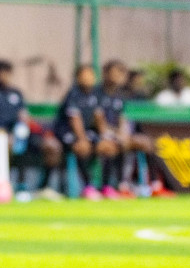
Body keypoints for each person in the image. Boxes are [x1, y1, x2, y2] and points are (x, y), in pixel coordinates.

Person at [0, 60, 62, 184]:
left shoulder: (16, 93)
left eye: (7, 73)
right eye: (1, 72)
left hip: (19, 136)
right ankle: (5, 183)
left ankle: (43, 187)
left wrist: (43, 132)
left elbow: (24, 117)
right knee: (7, 143)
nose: (3, 76)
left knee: (51, 146)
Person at [53, 62, 117, 199]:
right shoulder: (73, 94)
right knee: (82, 148)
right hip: (67, 133)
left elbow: (99, 117)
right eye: (85, 75)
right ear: (78, 77)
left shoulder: (96, 95)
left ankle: (106, 187)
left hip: (88, 133)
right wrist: (82, 139)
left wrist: (105, 137)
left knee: (109, 148)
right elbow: (75, 120)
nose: (88, 78)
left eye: (91, 75)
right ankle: (88, 187)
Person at [99, 59, 155, 197]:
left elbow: (123, 118)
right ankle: (107, 186)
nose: (118, 77)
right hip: (100, 134)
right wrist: (112, 133)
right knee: (112, 146)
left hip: (118, 134)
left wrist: (122, 134)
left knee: (147, 144)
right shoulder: (97, 93)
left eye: (120, 74)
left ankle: (152, 185)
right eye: (115, 73)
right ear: (106, 74)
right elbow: (98, 120)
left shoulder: (121, 96)